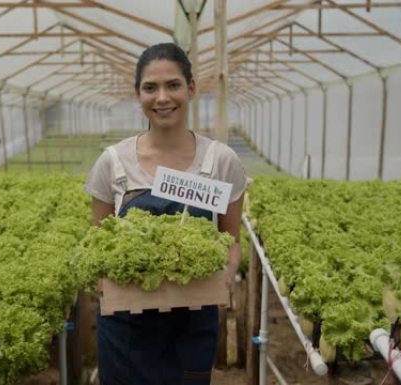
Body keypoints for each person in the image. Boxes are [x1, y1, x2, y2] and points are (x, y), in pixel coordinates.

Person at [84, 42, 247, 385]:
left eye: (172, 85)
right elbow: (97, 243)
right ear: (137, 94)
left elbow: (231, 241)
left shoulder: (220, 161)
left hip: (192, 322)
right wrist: (98, 280)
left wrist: (228, 273)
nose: (162, 98)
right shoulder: (113, 163)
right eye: (150, 88)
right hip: (126, 327)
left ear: (190, 89)